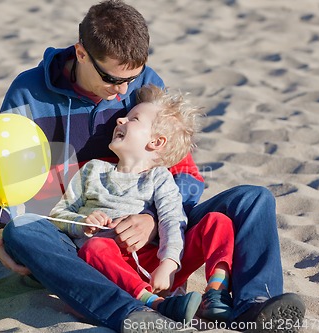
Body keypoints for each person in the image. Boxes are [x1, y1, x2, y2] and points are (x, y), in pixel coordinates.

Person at [0, 0, 306, 332]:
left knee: (253, 199)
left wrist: (153, 220)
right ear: (80, 53)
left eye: (130, 79)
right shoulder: (27, 94)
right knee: (22, 231)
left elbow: (185, 174)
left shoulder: (143, 83)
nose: (122, 92)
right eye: (112, 78)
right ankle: (132, 313)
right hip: (79, 237)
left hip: (154, 229)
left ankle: (257, 306)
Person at [50, 84, 235, 323]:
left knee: (217, 222)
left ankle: (216, 293)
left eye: (133, 119)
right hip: (109, 263)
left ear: (156, 142)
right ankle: (154, 303)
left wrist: (168, 264)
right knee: (95, 247)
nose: (120, 121)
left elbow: (172, 220)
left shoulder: (160, 177)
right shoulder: (93, 170)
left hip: (154, 261)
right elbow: (58, 213)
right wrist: (81, 222)